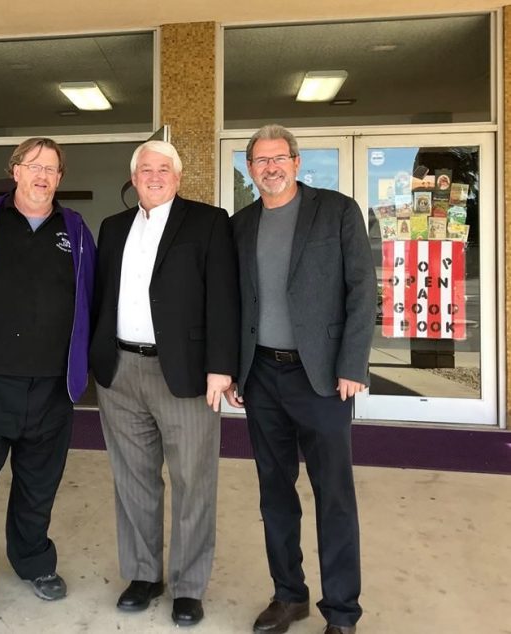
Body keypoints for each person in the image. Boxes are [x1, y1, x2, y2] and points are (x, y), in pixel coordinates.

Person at [225, 124, 377, 634]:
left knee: (333, 494)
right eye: (260, 160)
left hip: (323, 377)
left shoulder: (336, 211)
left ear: (295, 161)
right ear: (250, 169)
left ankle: (342, 613)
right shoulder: (240, 224)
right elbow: (234, 303)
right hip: (262, 375)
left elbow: (362, 290)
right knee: (274, 493)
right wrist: (233, 367)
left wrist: (353, 364)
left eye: (279, 158)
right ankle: (289, 596)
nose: (270, 167)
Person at [90, 140, 239, 627]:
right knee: (132, 480)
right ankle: (143, 575)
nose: (154, 176)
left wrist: (222, 366)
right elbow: (99, 297)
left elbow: (223, 298)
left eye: (163, 169)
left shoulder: (209, 221)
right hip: (120, 373)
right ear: (133, 179)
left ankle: (189, 587)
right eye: (145, 169)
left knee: (194, 482)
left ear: (178, 176)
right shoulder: (113, 228)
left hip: (187, 374)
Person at [0, 138, 96, 618]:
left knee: (39, 484)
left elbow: (94, 294)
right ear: (15, 171)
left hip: (52, 387)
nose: (43, 176)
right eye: (34, 166)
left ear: (60, 178)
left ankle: (33, 561)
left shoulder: (73, 227)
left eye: (52, 169)